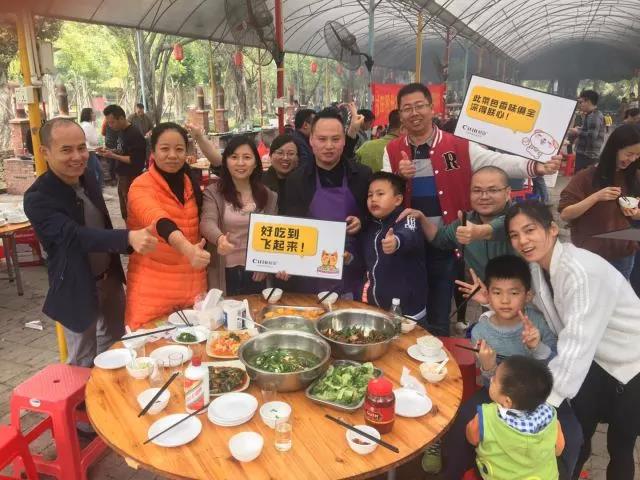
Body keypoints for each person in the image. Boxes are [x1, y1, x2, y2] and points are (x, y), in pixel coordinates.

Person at [461, 200, 640, 480]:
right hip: (593, 363)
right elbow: (530, 306)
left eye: (530, 230)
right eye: (515, 235)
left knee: (620, 445)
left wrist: (534, 403)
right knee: (578, 436)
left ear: (553, 229)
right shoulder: (537, 268)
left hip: (630, 363)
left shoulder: (581, 273)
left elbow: (575, 347)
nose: (523, 240)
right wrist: (491, 303)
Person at [382, 82, 561, 337]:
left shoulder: (458, 146)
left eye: (419, 105)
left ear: (432, 108)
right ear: (400, 114)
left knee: (440, 308)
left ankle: (439, 347)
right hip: (409, 245)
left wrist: (535, 166)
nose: (414, 113)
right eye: (407, 108)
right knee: (409, 309)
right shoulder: (392, 150)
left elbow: (496, 161)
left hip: (447, 242)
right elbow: (386, 193)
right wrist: (399, 176)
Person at [23, 118, 157, 367]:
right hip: (76, 285)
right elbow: (74, 236)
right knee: (83, 358)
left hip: (110, 279)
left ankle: (109, 388)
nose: (77, 156)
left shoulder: (87, 179)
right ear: (45, 152)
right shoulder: (37, 198)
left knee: (116, 345)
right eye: (66, 150)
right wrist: (127, 237)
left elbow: (101, 223)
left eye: (81, 148)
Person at [436, 254, 556, 478]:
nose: (505, 300)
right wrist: (489, 367)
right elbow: (489, 382)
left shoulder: (537, 322)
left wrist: (537, 346)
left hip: (535, 397)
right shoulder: (481, 331)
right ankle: (456, 471)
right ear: (488, 296)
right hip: (494, 392)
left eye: (514, 293)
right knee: (459, 426)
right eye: (497, 292)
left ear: (528, 295)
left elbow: (555, 364)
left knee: (572, 436)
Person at [125, 123, 210, 329]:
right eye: (165, 149)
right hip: (153, 291)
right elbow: (159, 221)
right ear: (153, 152)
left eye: (179, 149)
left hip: (192, 288)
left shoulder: (190, 183)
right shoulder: (140, 186)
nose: (173, 155)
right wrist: (188, 249)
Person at [283, 108, 372, 297]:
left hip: (352, 269)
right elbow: (290, 226)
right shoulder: (296, 180)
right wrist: (284, 262)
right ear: (311, 140)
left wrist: (362, 221)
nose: (329, 146)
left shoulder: (362, 175)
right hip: (309, 273)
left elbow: (376, 218)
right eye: (322, 139)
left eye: (335, 139)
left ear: (344, 140)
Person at [398, 166, 515, 281]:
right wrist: (421, 217)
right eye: (477, 191)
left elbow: (503, 225)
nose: (484, 197)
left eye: (493, 190)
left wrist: (478, 232)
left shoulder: (519, 216)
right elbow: (439, 238)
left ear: (507, 193)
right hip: (480, 291)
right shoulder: (464, 222)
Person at [559, 124, 640, 279]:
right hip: (589, 254)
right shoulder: (586, 177)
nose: (632, 159)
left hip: (623, 253)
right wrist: (595, 197)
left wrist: (635, 213)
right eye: (629, 154)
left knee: (617, 293)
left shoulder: (634, 177)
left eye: (637, 155)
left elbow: (637, 215)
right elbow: (565, 214)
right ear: (614, 148)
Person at [200, 136, 279, 295]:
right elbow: (207, 222)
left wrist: (265, 263)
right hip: (224, 271)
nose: (240, 163)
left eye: (247, 157)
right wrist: (220, 239)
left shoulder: (269, 196)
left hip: (257, 273)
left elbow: (274, 234)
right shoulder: (214, 192)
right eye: (234, 157)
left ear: (255, 163)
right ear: (226, 161)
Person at [466, 356, 565, 480]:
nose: (491, 379)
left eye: (494, 379)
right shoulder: (550, 418)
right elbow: (558, 449)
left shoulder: (487, 417)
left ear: (507, 401)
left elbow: (471, 437)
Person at [349, 172, 427, 321]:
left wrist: (396, 241)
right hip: (376, 309)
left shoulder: (408, 218)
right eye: (370, 195)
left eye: (380, 194)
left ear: (398, 200)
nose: (373, 199)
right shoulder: (369, 226)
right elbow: (365, 263)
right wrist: (349, 258)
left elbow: (409, 235)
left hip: (408, 313)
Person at [98, 105, 147, 220]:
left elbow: (134, 160)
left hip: (131, 176)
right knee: (124, 209)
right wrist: (109, 150)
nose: (110, 125)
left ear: (121, 118)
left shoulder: (134, 134)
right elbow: (122, 150)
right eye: (108, 123)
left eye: (112, 122)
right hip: (122, 175)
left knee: (131, 209)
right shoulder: (121, 131)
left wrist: (113, 155)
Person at [569, 90, 605, 172]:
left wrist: (577, 132)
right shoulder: (591, 114)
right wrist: (580, 129)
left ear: (588, 101)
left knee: (580, 177)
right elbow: (590, 131)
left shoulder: (594, 116)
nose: (580, 105)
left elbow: (592, 136)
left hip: (587, 156)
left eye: (581, 102)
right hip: (585, 154)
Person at [262, 134, 299, 213]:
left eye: (291, 154)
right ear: (270, 156)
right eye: (280, 153)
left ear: (298, 158)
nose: (285, 158)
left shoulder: (304, 183)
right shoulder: (259, 182)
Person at [79, 107, 103, 187]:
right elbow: (93, 140)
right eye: (92, 113)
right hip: (90, 151)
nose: (94, 115)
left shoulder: (83, 124)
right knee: (95, 172)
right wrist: (99, 144)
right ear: (88, 115)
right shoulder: (87, 126)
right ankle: (96, 189)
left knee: (97, 171)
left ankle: (96, 189)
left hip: (89, 150)